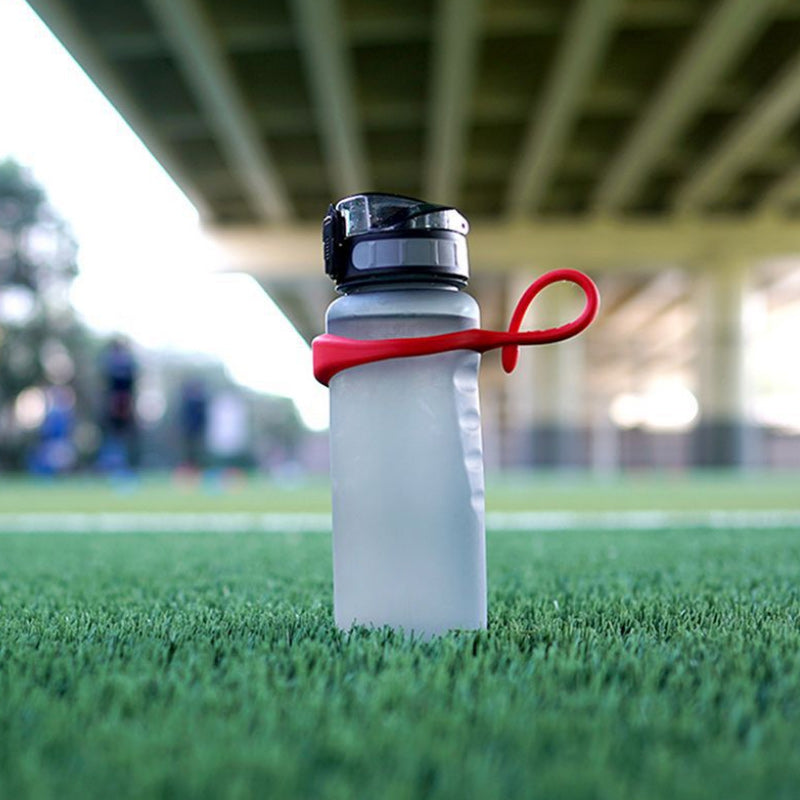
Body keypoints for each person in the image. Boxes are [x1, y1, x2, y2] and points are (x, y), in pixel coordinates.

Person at [98, 337, 138, 471]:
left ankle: (120, 464)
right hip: (113, 402)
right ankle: (110, 464)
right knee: (111, 435)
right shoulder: (109, 361)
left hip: (122, 402)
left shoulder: (127, 363)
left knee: (122, 436)